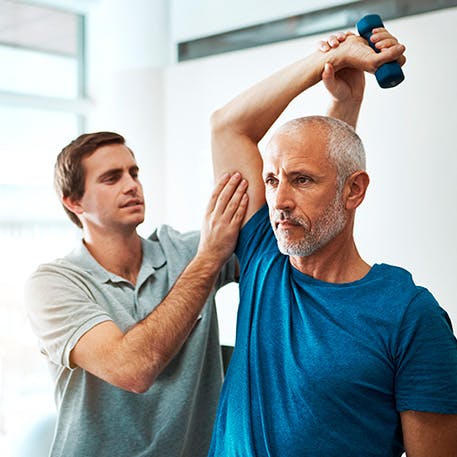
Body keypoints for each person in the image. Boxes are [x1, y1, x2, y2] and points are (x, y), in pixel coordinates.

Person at [207, 29, 457, 456]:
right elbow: (227, 126)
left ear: (355, 191)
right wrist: (331, 61)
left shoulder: (410, 316)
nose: (280, 201)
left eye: (301, 181)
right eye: (271, 180)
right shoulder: (264, 259)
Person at [24, 131, 248, 457]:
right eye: (111, 178)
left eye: (134, 173)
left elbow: (279, 244)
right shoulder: (53, 284)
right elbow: (134, 369)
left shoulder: (187, 252)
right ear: (74, 201)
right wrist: (210, 259)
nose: (132, 185)